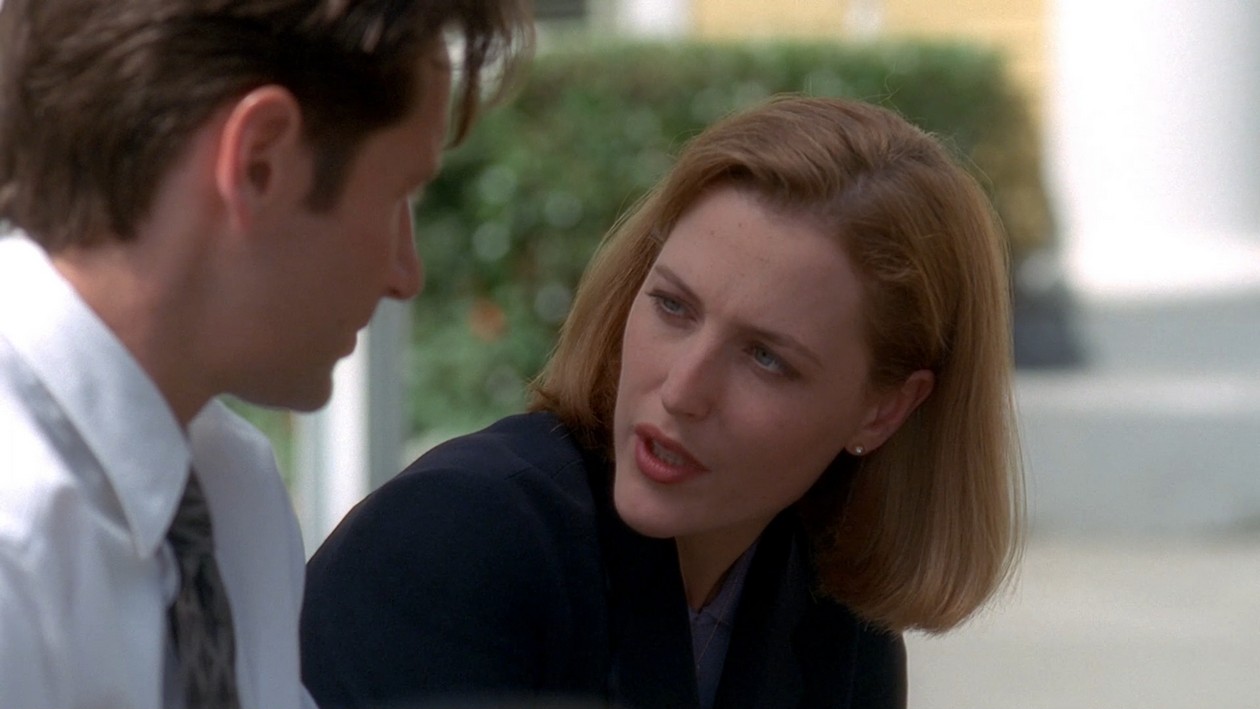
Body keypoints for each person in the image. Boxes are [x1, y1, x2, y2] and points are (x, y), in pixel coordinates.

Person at [300, 96, 1024, 709]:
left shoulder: (841, 634)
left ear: (884, 410)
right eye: (674, 307)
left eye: (766, 358)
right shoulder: (460, 540)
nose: (682, 390)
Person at [0, 1, 531, 708]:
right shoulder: (19, 538)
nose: (406, 275)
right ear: (259, 163)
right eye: (397, 193)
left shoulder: (231, 489)